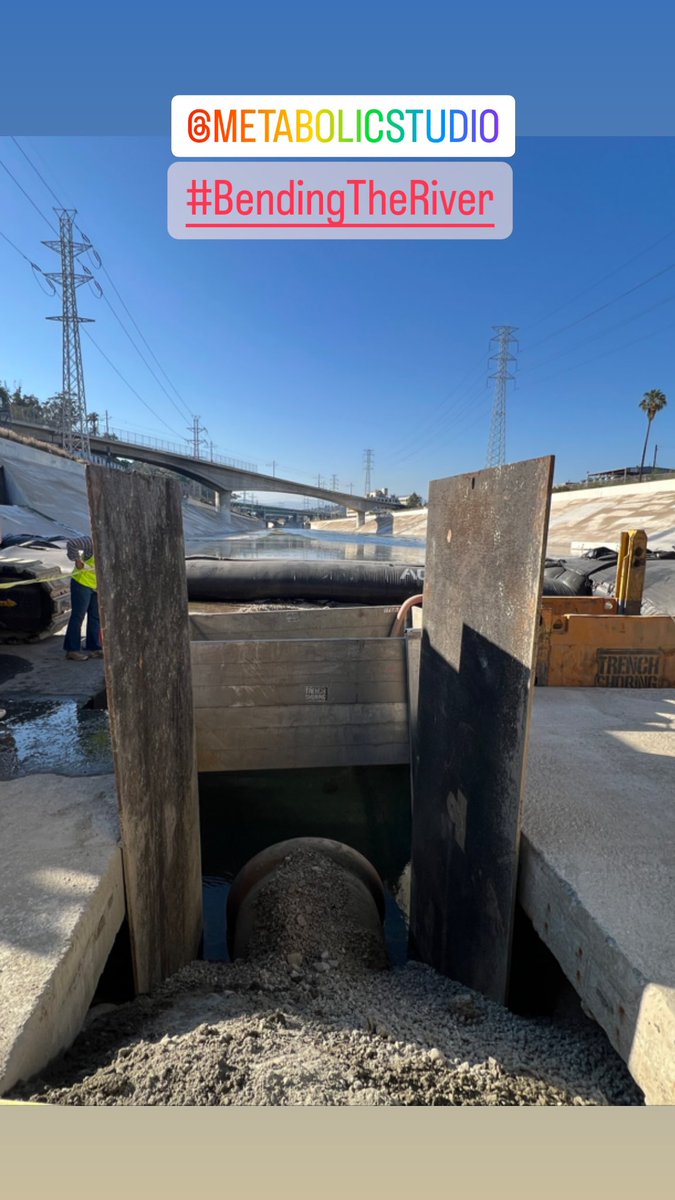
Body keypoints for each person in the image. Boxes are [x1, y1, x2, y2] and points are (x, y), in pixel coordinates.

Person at [63, 535, 103, 661]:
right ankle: (72, 650)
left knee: (95, 617)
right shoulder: (92, 541)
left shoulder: (113, 546)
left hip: (96, 586)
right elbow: (71, 543)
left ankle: (94, 648)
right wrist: (77, 561)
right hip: (82, 582)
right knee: (78, 616)